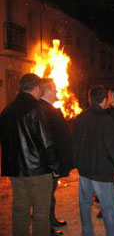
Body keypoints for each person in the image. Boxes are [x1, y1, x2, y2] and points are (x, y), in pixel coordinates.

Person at [0, 73, 60, 236]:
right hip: (37, 171)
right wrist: (55, 166)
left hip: (16, 171)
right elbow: (46, 141)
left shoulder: (7, 110)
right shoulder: (37, 108)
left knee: (20, 211)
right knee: (41, 213)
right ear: (37, 87)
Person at [73, 85, 114, 236]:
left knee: (84, 204)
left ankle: (87, 233)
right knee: (108, 206)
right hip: (101, 170)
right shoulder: (106, 120)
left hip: (85, 170)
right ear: (104, 100)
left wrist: (78, 163)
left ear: (90, 99)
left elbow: (74, 142)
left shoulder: (80, 118)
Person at [39, 79, 73, 236]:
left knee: (50, 195)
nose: (57, 93)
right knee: (45, 197)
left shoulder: (48, 108)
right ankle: (47, 229)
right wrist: (54, 165)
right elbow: (48, 141)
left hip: (50, 164)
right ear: (46, 91)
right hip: (47, 165)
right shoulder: (43, 110)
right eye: (55, 90)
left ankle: (51, 220)